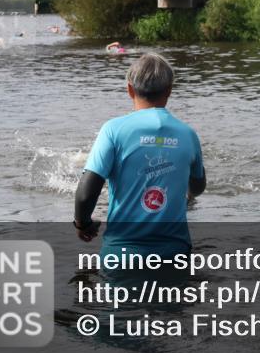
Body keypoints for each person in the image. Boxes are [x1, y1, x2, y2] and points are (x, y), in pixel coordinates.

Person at [73, 53, 207, 262]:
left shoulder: (112, 130)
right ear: (169, 90)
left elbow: (85, 195)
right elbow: (198, 187)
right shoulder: (188, 134)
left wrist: (82, 224)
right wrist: (186, 196)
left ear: (129, 89)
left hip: (122, 255)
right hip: (175, 252)